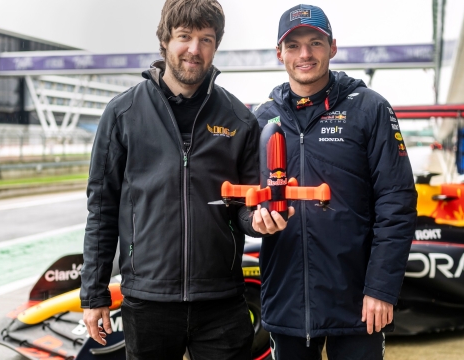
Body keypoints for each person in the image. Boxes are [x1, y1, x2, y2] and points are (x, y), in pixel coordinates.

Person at [80, 0, 289, 358]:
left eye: (206, 39)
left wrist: (257, 220)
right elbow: (102, 209)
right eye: (184, 36)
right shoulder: (122, 113)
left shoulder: (240, 119)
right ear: (165, 40)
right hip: (148, 301)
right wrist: (94, 294)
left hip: (221, 302)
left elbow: (244, 206)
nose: (194, 49)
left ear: (215, 47)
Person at [253, 4, 418, 359]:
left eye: (315, 42)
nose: (305, 54)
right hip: (287, 305)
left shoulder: (369, 108)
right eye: (294, 45)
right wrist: (253, 221)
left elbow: (398, 202)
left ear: (333, 47)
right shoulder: (263, 119)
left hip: (357, 303)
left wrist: (382, 288)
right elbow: (244, 206)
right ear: (279, 52)